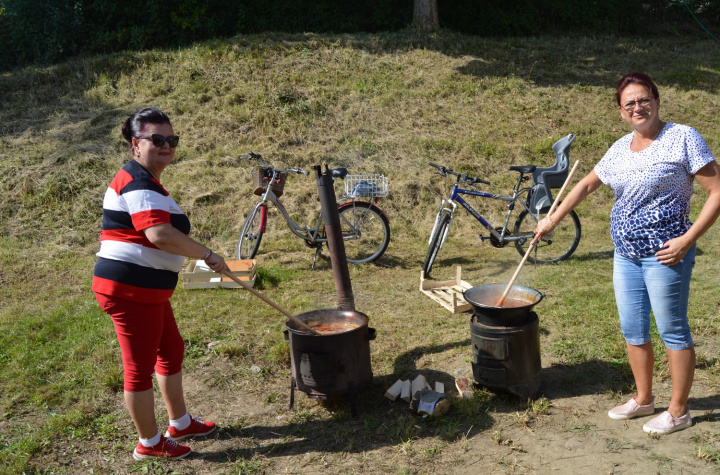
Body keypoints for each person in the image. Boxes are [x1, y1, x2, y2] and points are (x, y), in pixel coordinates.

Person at [534, 72, 720, 435]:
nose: (638, 107)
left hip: (666, 254)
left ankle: (679, 411)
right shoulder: (620, 147)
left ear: (657, 100)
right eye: (629, 103)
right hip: (625, 254)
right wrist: (552, 219)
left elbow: (717, 191)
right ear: (621, 111)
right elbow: (588, 183)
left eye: (643, 99)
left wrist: (687, 240)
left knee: (672, 330)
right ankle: (645, 398)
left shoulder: (682, 138)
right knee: (633, 329)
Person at [92, 107, 230, 459]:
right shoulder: (137, 179)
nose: (166, 145)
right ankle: (149, 444)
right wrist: (207, 254)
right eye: (157, 139)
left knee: (170, 351)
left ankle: (180, 422)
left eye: (171, 139)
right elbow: (160, 234)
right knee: (138, 369)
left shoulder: (147, 181)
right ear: (135, 144)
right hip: (130, 290)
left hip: (146, 289)